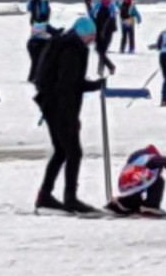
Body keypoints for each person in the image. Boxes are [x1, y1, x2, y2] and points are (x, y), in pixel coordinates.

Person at [33, 17, 105, 215]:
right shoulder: (72, 50)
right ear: (83, 34)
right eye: (91, 35)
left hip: (50, 105)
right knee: (73, 152)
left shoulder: (64, 44)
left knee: (61, 151)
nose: (92, 40)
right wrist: (71, 115)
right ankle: (70, 198)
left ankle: (45, 195)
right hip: (60, 108)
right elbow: (68, 84)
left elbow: (68, 82)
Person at [104, 145, 166, 217]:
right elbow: (158, 160)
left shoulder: (137, 159)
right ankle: (151, 206)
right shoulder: (149, 157)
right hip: (135, 180)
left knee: (135, 194)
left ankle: (124, 204)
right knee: (159, 181)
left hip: (127, 183)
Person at [91, 0, 118, 76]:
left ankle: (103, 69)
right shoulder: (112, 5)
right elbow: (113, 18)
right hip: (107, 32)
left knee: (100, 50)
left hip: (99, 31)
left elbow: (91, 14)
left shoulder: (98, 4)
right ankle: (105, 68)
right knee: (102, 51)